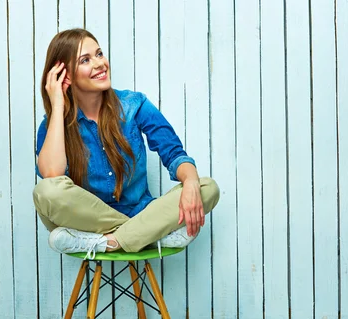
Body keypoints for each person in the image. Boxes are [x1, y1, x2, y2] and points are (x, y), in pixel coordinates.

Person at [32, 28, 219, 259]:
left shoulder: (134, 104)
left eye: (99, 54)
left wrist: (190, 181)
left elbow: (174, 153)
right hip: (89, 223)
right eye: (86, 60)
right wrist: (58, 106)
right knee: (45, 191)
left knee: (207, 188)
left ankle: (110, 242)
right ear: (65, 75)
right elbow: (52, 174)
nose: (100, 63)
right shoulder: (54, 126)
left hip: (138, 213)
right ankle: (149, 236)